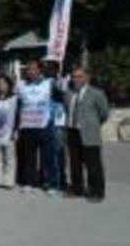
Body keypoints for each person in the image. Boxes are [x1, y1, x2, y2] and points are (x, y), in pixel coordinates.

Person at [64, 67, 110, 202]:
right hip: (72, 132)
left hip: (89, 134)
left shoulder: (97, 93)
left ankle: (97, 191)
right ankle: (77, 189)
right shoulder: (69, 93)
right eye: (74, 76)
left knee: (93, 164)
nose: (76, 79)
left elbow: (104, 114)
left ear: (87, 78)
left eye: (79, 76)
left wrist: (92, 125)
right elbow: (67, 110)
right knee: (75, 163)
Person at [17, 60, 62, 195]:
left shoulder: (49, 83)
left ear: (40, 70)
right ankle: (31, 183)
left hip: (44, 125)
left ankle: (52, 184)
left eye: (33, 69)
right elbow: (19, 105)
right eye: (29, 69)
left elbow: (60, 97)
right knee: (30, 158)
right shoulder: (21, 86)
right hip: (28, 126)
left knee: (48, 157)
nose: (30, 71)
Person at [0, 75, 19, 189]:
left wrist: (16, 130)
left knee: (9, 157)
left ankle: (9, 181)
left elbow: (18, 115)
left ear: (9, 85)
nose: (1, 85)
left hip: (9, 132)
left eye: (4, 83)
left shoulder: (14, 98)